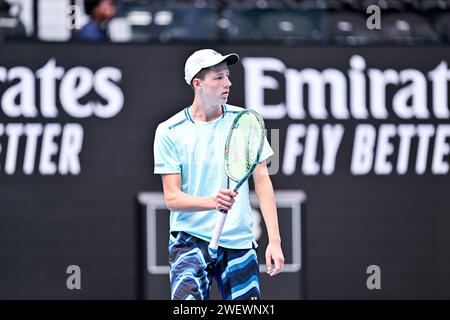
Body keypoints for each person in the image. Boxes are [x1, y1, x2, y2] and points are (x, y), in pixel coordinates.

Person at [153, 49, 284, 300]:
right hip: (189, 241)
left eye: (227, 76)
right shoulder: (169, 131)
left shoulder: (246, 121)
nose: (228, 83)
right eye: (219, 78)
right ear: (197, 84)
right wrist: (212, 202)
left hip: (239, 242)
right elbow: (172, 199)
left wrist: (275, 241)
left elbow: (263, 182)